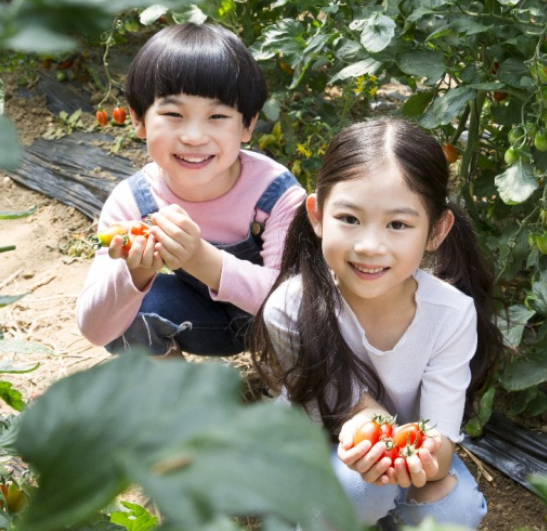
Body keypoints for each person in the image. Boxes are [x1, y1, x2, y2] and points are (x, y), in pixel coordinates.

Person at [248, 117, 505, 529]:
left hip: (401, 453)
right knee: (359, 488)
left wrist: (418, 461)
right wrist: (381, 445)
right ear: (316, 215)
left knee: (453, 513)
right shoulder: (291, 307)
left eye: (398, 225)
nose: (370, 246)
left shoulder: (451, 314)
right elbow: (344, 415)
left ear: (436, 231)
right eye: (349, 218)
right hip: (318, 449)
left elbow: (438, 448)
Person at [76, 22, 306, 358]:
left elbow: (296, 309)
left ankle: (285, 390)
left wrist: (199, 258)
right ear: (139, 120)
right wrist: (136, 272)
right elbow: (96, 329)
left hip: (276, 331)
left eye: (217, 116)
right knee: (129, 310)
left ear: (247, 125)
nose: (194, 136)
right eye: (173, 113)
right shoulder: (132, 202)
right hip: (201, 323)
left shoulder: (276, 193)